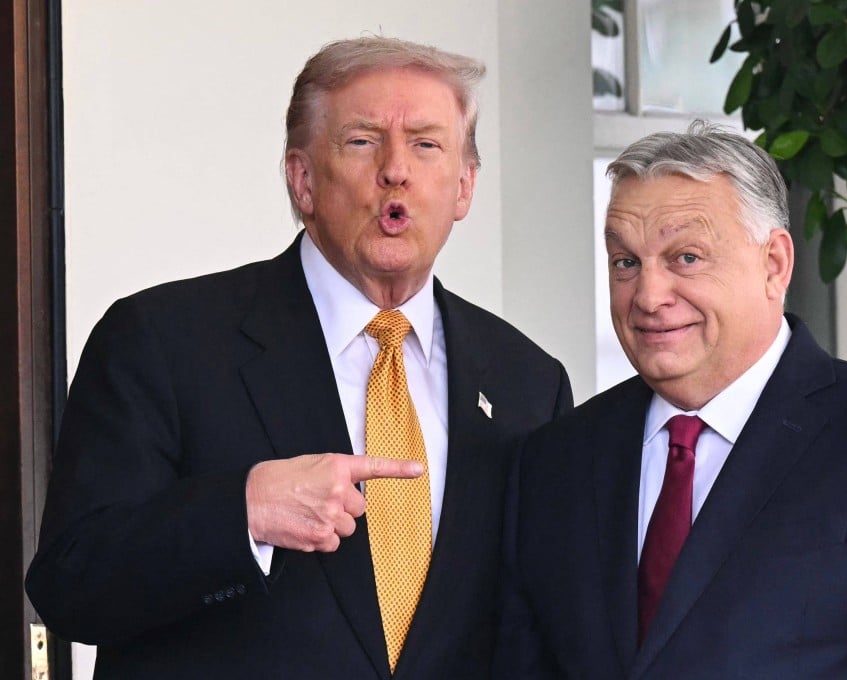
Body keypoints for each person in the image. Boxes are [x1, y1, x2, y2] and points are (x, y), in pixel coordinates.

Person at [26, 36, 572, 678]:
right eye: (363, 141)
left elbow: (541, 625)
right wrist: (243, 512)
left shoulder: (529, 382)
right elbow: (72, 584)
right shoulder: (161, 340)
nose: (396, 169)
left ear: (463, 186)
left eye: (426, 144)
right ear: (303, 179)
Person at [493, 122, 847, 678]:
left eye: (686, 258)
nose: (648, 297)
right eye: (627, 262)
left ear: (775, 264)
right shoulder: (555, 461)